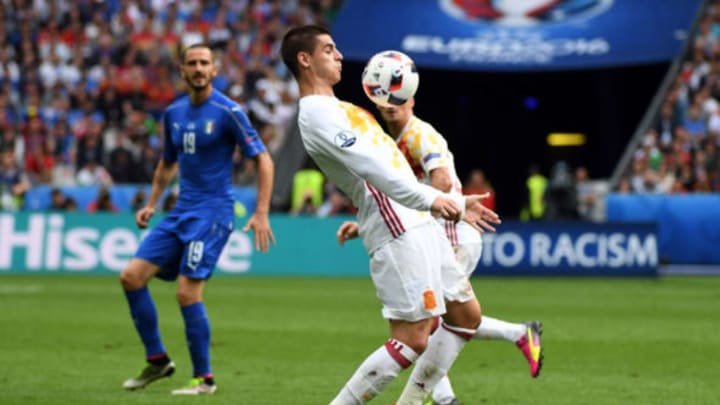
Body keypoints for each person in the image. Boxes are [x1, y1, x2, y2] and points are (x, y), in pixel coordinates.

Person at [281, 25, 499, 405]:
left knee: (466, 316)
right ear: (304, 59)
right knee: (412, 337)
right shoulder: (315, 114)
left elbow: (389, 164)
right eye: (329, 50)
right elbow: (371, 168)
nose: (339, 56)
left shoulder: (339, 107)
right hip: (398, 223)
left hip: (416, 217)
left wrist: (453, 203)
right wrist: (428, 199)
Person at [119, 43, 275, 396]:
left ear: (215, 70)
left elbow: (263, 160)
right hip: (180, 212)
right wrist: (151, 203)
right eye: (193, 63)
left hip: (213, 213)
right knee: (131, 277)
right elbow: (166, 163)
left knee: (187, 293)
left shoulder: (228, 111)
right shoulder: (173, 113)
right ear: (182, 70)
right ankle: (158, 360)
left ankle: (204, 380)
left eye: (205, 63)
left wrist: (261, 212)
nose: (199, 68)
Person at [373, 98, 543, 405]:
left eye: (398, 97)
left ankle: (443, 398)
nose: (390, 103)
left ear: (412, 98)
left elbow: (440, 180)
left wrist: (439, 207)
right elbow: (409, 197)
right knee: (438, 320)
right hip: (440, 234)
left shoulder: (418, 134)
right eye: (383, 97)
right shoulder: (397, 141)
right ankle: (517, 336)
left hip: (452, 235)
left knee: (432, 322)